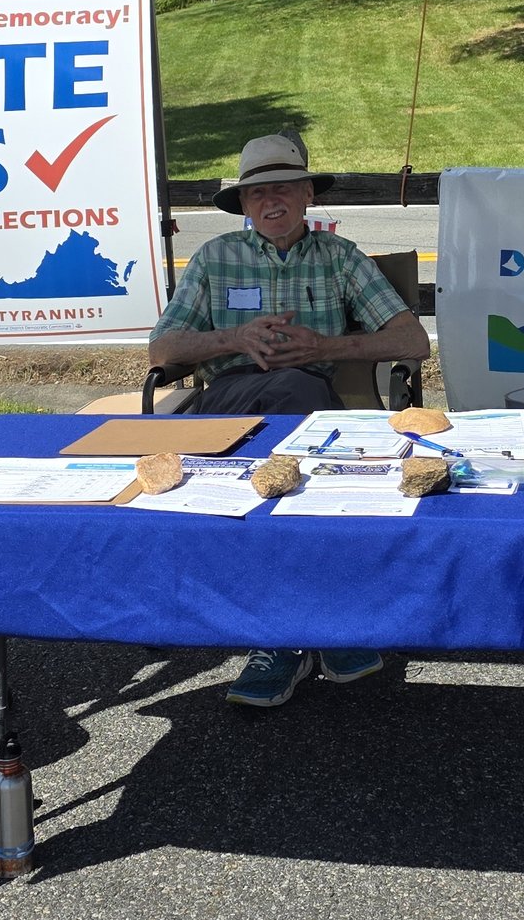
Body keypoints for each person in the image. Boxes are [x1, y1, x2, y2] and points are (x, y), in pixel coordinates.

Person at [148, 131, 431, 708]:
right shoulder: (214, 257)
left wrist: (323, 347)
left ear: (306, 194)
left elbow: (412, 341)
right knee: (297, 444)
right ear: (244, 206)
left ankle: (281, 636)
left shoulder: (339, 257)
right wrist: (233, 336)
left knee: (295, 410)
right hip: (230, 401)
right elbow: (161, 351)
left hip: (307, 400)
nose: (270, 201)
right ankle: (324, 622)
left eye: (283, 188)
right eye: (257, 194)